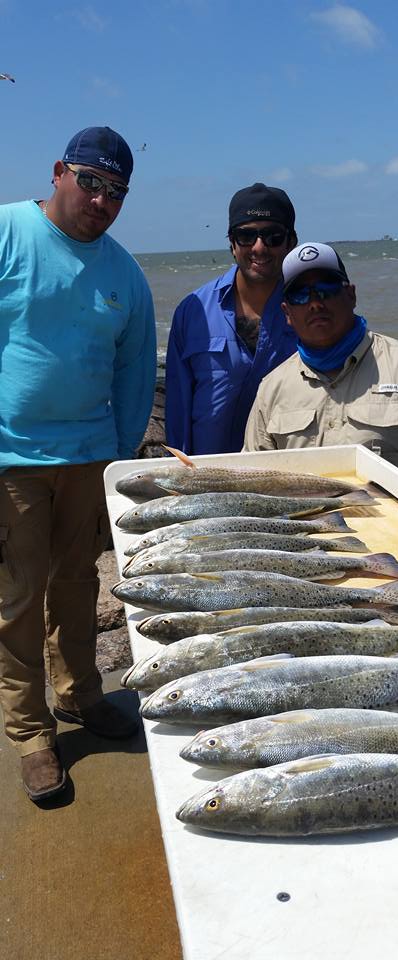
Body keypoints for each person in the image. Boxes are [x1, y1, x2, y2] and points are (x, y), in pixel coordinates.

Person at [0, 126, 157, 802]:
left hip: (90, 458)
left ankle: (80, 695)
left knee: (77, 590)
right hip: (13, 458)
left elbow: (132, 372)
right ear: (59, 171)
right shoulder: (8, 232)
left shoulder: (126, 272)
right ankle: (32, 733)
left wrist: (117, 466)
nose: (102, 199)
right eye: (91, 181)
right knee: (15, 599)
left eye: (117, 191)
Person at [244, 242, 398, 505]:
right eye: (300, 295)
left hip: (395, 537)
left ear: (351, 295)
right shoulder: (271, 388)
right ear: (287, 313)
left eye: (326, 290)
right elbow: (253, 479)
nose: (315, 304)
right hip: (303, 538)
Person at [165, 182, 298, 454]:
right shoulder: (192, 312)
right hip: (208, 481)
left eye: (273, 236)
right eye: (246, 236)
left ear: (291, 242)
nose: (259, 247)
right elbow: (178, 408)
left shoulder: (311, 310)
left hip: (284, 479)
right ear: (232, 243)